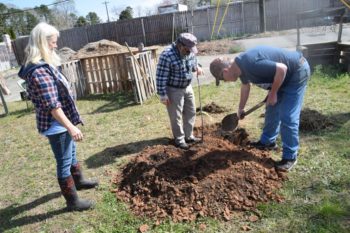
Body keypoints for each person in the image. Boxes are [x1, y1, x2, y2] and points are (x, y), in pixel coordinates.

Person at [18, 22, 98, 211]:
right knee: (63, 162)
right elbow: (53, 106)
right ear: (42, 43)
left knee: (71, 154)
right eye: (53, 42)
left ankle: (78, 181)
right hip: (57, 124)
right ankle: (72, 202)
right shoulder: (39, 71)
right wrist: (71, 126)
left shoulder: (45, 65)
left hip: (61, 122)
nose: (55, 45)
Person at [210, 45, 311, 171]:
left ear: (225, 72)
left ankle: (290, 157)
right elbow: (245, 86)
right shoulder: (239, 67)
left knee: (288, 116)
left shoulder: (250, 64)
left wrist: (273, 93)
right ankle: (267, 142)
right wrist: (240, 108)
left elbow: (282, 69)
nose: (225, 82)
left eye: (223, 80)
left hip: (296, 72)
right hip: (282, 77)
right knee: (272, 109)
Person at [156, 33, 204, 149]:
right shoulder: (167, 55)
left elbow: (193, 63)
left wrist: (197, 67)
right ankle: (180, 140)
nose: (190, 52)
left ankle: (189, 136)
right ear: (180, 45)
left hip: (187, 87)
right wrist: (163, 94)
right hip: (173, 89)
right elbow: (161, 77)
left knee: (191, 112)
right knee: (176, 116)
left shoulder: (190, 51)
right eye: (188, 49)